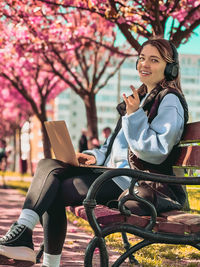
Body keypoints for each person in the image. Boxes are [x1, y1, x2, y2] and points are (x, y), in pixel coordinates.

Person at [0, 38, 189, 267]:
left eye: (154, 60)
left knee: (55, 188)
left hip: (141, 184)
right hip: (118, 177)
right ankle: (23, 233)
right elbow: (112, 147)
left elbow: (154, 152)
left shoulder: (169, 101)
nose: (144, 64)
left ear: (170, 68)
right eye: (141, 58)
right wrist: (93, 156)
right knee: (48, 165)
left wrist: (134, 115)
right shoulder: (141, 99)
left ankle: (34, 248)